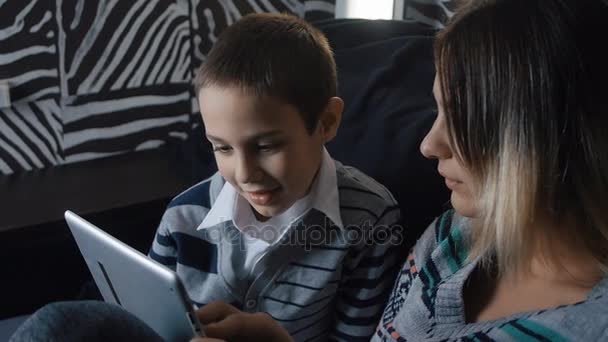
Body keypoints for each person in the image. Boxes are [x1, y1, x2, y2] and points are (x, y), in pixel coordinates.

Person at [187, 0, 608, 340]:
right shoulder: (450, 237)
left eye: (464, 121)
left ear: (551, 134)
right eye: (438, 110)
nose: (429, 145)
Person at [10, 12, 404, 342]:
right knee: (56, 324)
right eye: (222, 148)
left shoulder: (370, 219)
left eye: (266, 146)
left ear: (327, 121)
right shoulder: (183, 215)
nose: (245, 174)